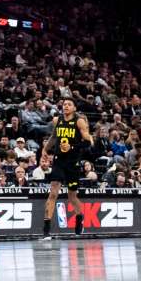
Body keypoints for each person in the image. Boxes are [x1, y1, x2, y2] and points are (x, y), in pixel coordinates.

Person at [40, 98, 92, 240]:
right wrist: (45, 149)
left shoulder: (79, 121)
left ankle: (79, 217)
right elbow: (53, 137)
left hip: (73, 162)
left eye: (69, 104)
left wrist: (73, 147)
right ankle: (46, 229)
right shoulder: (57, 120)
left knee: (72, 196)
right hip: (59, 161)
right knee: (53, 193)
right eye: (64, 104)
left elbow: (88, 141)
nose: (66, 106)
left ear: (74, 108)